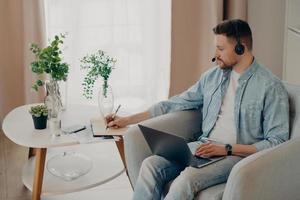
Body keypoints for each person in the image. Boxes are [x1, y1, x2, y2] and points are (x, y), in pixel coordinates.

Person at [106, 19, 289, 200]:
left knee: (186, 180)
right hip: (203, 146)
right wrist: (128, 119)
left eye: (221, 48)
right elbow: (176, 103)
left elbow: (277, 141)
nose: (216, 54)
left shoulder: (270, 86)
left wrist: (226, 149)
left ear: (240, 48)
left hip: (236, 156)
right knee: (150, 165)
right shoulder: (213, 77)